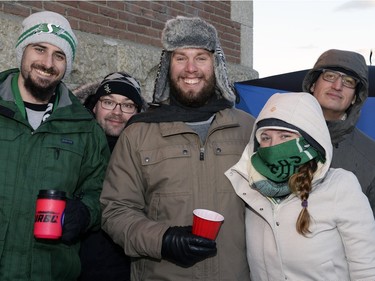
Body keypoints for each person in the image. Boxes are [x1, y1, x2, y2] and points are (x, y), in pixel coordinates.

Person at [100, 16, 254, 281]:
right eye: (180, 57)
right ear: (167, 64)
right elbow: (115, 211)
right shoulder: (138, 133)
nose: (190, 68)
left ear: (215, 64)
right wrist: (162, 240)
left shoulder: (248, 129)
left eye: (201, 57)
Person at [0, 11, 110, 280]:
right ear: (22, 51)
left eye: (59, 55)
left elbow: (102, 191)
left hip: (49, 271)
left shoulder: (84, 127)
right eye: (40, 49)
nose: (47, 63)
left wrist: (85, 212)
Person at [225, 92, 375, 280]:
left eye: (285, 136)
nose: (273, 146)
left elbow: (367, 270)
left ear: (309, 140)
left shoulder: (340, 186)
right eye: (265, 137)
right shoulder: (249, 188)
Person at [74, 71, 144, 281]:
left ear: (139, 112)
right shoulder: (72, 144)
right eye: (108, 102)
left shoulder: (149, 154)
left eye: (128, 105)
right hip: (75, 266)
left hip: (129, 268)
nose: (117, 112)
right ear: (94, 105)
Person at [302, 49, 375, 215]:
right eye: (329, 76)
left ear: (356, 96)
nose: (337, 86)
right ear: (313, 84)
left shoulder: (371, 155)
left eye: (348, 81)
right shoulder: (276, 137)